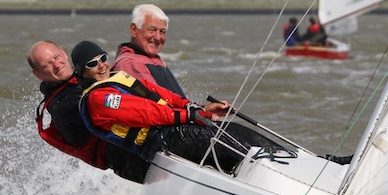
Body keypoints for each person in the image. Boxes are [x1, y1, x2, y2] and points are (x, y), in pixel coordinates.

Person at [72, 40, 279, 174]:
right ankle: (273, 169)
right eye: (93, 64)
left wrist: (197, 108)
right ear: (82, 72)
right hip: (159, 142)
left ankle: (284, 158)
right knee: (229, 139)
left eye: (103, 59)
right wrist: (189, 117)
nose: (102, 66)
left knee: (232, 130)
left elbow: (162, 95)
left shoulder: (118, 78)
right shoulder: (98, 99)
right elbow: (148, 113)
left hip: (171, 130)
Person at [27, 40, 150, 183]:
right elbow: (111, 108)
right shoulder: (61, 105)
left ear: (63, 53)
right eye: (47, 65)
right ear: (38, 74)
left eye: (56, 57)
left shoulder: (84, 76)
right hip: (129, 158)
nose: (56, 65)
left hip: (142, 140)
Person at [111, 3, 185, 96]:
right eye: (152, 30)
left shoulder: (156, 60)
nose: (158, 37)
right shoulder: (128, 64)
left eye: (162, 32)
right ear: (134, 30)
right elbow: (157, 106)